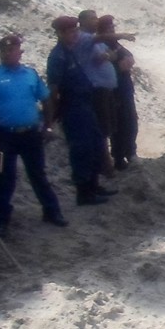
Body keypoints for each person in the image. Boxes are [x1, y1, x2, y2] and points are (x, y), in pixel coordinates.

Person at [0, 33, 67, 234]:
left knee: (38, 174)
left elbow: (45, 99)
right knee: (5, 177)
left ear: (20, 52)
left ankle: (52, 211)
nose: (7, 54)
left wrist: (48, 125)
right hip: (5, 135)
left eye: (11, 50)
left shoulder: (30, 75)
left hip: (30, 134)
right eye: (4, 51)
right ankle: (1, 220)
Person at [46, 16, 114, 208]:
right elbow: (53, 89)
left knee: (94, 144)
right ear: (60, 34)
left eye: (76, 31)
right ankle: (84, 192)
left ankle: (94, 185)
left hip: (85, 105)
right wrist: (50, 119)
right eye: (70, 32)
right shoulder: (58, 57)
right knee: (81, 149)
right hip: (72, 108)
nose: (75, 35)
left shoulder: (70, 52)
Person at [76, 9, 119, 175]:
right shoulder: (86, 38)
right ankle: (104, 166)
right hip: (96, 90)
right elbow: (101, 57)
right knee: (100, 129)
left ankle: (105, 163)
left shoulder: (95, 40)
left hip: (105, 90)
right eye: (93, 19)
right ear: (83, 21)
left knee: (106, 128)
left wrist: (109, 55)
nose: (96, 21)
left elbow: (110, 56)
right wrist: (120, 36)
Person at [96, 14, 140, 170]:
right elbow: (101, 66)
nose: (112, 31)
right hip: (113, 92)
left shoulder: (115, 44)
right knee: (118, 124)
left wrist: (128, 59)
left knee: (130, 121)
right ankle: (119, 157)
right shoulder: (100, 46)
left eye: (112, 27)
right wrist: (117, 65)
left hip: (125, 89)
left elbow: (126, 54)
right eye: (108, 28)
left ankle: (131, 152)